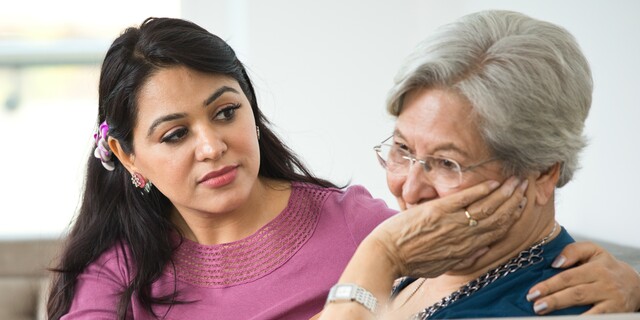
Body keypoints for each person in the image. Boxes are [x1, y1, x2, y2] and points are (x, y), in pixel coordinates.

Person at [46, 17, 638, 320]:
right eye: (401, 150)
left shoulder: (376, 235)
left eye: (448, 163)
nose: (211, 147)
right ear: (126, 156)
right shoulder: (118, 264)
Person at [319, 10, 640, 319]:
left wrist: (380, 255)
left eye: (447, 162)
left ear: (542, 170)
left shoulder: (542, 306)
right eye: (403, 148)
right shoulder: (425, 260)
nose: (410, 188)